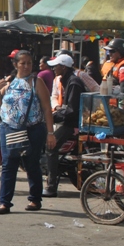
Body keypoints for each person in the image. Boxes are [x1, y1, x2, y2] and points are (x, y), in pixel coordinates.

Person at [0, 50, 56, 214]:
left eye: (29, 63)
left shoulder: (37, 82)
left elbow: (47, 108)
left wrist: (50, 133)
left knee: (31, 164)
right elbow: (0, 104)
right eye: (23, 63)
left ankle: (35, 199)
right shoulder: (9, 82)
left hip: (33, 130)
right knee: (8, 165)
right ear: (16, 65)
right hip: (9, 128)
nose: (26, 66)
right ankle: (5, 202)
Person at [43, 53, 84, 197]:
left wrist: (53, 117)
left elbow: (72, 110)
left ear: (64, 67)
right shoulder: (66, 80)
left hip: (72, 124)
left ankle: (51, 186)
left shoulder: (73, 83)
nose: (53, 69)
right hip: (67, 120)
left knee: (51, 147)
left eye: (56, 66)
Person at [104, 38, 124, 108]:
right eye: (109, 51)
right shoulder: (117, 63)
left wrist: (121, 106)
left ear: (121, 52)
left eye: (112, 51)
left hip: (120, 106)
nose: (109, 54)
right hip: (113, 104)